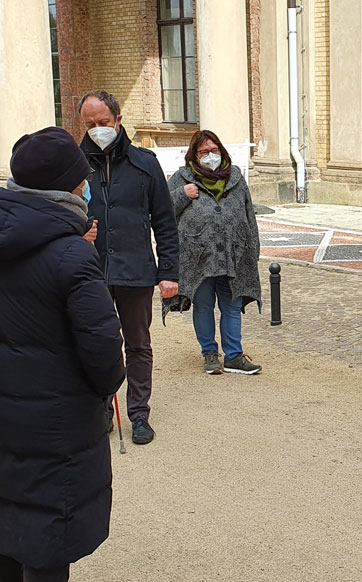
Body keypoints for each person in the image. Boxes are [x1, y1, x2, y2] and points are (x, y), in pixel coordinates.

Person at [0, 127, 127, 582]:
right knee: (47, 547)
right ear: (68, 188)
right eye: (81, 180)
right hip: (57, 425)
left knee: (4, 529)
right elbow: (104, 353)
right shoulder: (72, 254)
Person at [79, 90, 180, 445]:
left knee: (137, 345)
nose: (96, 130)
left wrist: (169, 272)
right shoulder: (74, 165)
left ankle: (139, 414)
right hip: (89, 272)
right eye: (89, 125)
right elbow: (56, 215)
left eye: (103, 123)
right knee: (97, 344)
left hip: (136, 270)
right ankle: (102, 410)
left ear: (118, 120)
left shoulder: (144, 163)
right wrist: (78, 234)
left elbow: (165, 221)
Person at [166, 130, 263, 375]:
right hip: (198, 257)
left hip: (234, 255)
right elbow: (162, 210)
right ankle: (210, 354)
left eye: (214, 150)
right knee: (204, 305)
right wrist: (182, 194)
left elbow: (249, 215)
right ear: (194, 155)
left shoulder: (236, 178)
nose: (210, 156)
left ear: (221, 151)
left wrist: (253, 250)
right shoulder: (181, 178)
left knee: (232, 306)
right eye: (204, 152)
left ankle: (234, 356)